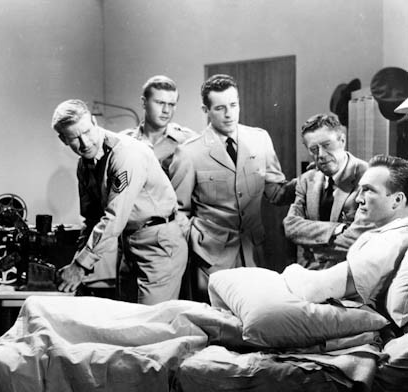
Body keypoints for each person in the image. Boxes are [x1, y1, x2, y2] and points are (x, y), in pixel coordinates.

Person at [169, 74, 295, 302]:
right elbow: (178, 211)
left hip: (253, 252)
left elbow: (276, 193)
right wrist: (196, 244)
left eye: (233, 105)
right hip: (210, 256)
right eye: (220, 108)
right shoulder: (189, 152)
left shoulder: (259, 139)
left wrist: (309, 181)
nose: (229, 114)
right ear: (206, 110)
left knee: (255, 312)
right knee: (215, 318)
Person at [51, 99, 188, 305]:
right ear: (63, 140)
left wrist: (80, 266)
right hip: (129, 243)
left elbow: (114, 218)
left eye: (87, 132)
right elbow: (91, 219)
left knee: (151, 320)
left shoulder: (126, 154)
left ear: (94, 122)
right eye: (74, 138)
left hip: (159, 244)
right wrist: (77, 262)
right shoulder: (84, 165)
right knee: (127, 316)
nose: (85, 143)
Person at [283, 155, 408, 306]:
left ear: (397, 200)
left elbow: (313, 290)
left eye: (368, 190)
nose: (358, 199)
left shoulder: (387, 242)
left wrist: (289, 272)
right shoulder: (392, 233)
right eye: (360, 190)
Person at [283, 113, 374, 269]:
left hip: (350, 273)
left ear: (342, 141)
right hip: (310, 272)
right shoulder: (306, 180)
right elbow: (291, 226)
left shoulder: (369, 177)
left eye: (326, 145)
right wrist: (337, 229)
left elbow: (362, 239)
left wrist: (312, 244)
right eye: (314, 149)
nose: (321, 155)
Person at [121, 75, 196, 177]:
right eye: (160, 103)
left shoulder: (188, 141)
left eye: (171, 104)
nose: (166, 110)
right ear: (144, 102)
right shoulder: (123, 141)